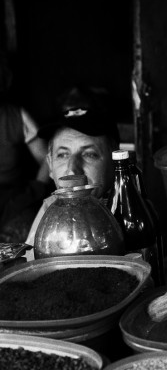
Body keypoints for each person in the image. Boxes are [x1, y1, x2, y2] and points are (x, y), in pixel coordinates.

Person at [24, 86, 120, 260]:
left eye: (89, 154)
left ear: (115, 164)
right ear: (50, 166)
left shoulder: (129, 207)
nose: (72, 169)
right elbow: (32, 266)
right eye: (62, 155)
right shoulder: (50, 209)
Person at [0, 102, 51, 242]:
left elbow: (47, 158)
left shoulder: (15, 115)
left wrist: (37, 188)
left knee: (23, 236)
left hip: (12, 198)